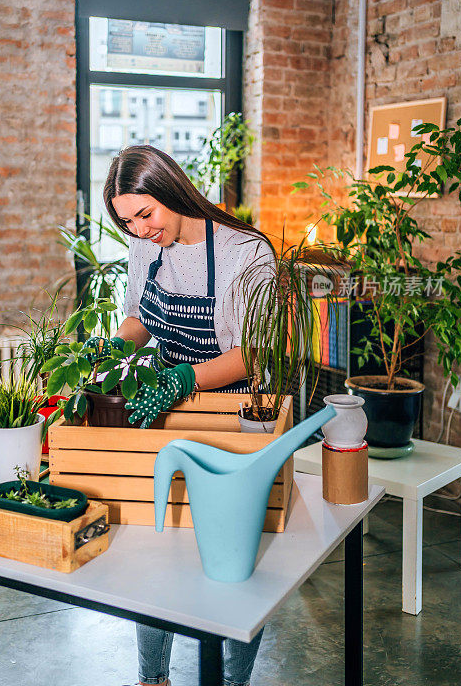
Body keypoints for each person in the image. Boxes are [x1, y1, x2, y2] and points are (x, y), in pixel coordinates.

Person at [97, 144, 275, 686]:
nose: (141, 231)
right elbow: (138, 319)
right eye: (127, 222)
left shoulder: (248, 252)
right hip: (167, 406)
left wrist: (186, 379)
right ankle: (153, 678)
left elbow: (256, 351)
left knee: (233, 560)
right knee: (159, 547)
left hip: (236, 414)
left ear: (171, 191)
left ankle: (232, 681)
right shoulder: (144, 245)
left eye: (145, 215)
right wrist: (105, 349)